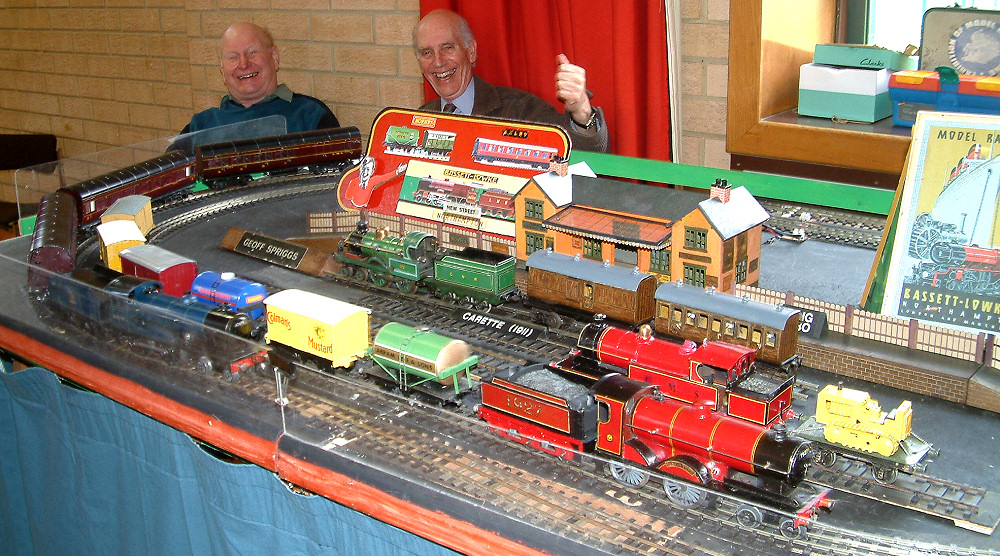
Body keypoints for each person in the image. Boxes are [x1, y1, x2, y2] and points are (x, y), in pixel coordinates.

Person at [413, 9, 609, 153]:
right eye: (426, 53)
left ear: (471, 52)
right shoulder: (417, 120)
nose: (438, 62)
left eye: (448, 48)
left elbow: (581, 155)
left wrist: (581, 111)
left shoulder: (521, 109)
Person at [180, 22, 340, 136]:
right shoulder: (199, 127)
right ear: (222, 69)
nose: (244, 64)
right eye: (233, 57)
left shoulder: (311, 116)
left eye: (252, 52)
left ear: (274, 57)